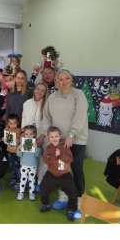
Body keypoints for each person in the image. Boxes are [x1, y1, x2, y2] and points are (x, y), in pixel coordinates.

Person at [43, 69, 88, 214]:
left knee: (76, 168)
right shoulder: (52, 97)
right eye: (60, 79)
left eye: (67, 78)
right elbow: (46, 116)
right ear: (56, 82)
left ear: (71, 80)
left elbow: (80, 116)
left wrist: (72, 134)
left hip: (77, 139)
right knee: (60, 169)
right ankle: (63, 197)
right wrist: (48, 132)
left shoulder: (78, 95)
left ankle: (79, 200)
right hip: (59, 141)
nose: (64, 81)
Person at [39, 126, 79, 221]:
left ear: (60, 136)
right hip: (52, 173)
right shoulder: (48, 148)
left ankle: (71, 210)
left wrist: (60, 155)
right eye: (51, 137)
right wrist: (51, 157)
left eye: (56, 136)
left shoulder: (65, 146)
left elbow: (70, 159)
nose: (54, 139)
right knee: (43, 188)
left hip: (65, 174)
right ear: (48, 138)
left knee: (73, 192)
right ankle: (45, 204)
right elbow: (45, 160)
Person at [21, 82, 49, 189]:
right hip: (28, 136)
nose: (39, 92)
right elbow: (24, 119)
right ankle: (29, 181)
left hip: (43, 136)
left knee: (43, 159)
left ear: (45, 93)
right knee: (30, 158)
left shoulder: (47, 105)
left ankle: (40, 181)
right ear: (34, 89)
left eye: (42, 90)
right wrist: (23, 133)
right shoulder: (27, 103)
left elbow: (48, 122)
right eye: (38, 89)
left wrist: (42, 136)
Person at [16, 125, 41, 201]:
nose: (28, 136)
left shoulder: (36, 144)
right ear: (24, 135)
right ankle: (21, 192)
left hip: (33, 166)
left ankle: (31, 193)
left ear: (34, 134)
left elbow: (37, 155)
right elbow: (19, 155)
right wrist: (19, 148)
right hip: (24, 165)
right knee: (23, 179)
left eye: (31, 134)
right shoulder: (23, 144)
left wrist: (36, 148)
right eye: (26, 134)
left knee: (32, 180)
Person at [3, 114, 22, 190]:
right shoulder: (6, 129)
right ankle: (13, 179)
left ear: (18, 123)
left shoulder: (19, 130)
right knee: (11, 166)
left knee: (17, 167)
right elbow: (5, 140)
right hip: (9, 152)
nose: (12, 125)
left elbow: (21, 140)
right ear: (8, 123)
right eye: (10, 123)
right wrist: (4, 139)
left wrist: (18, 140)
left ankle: (19, 181)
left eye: (14, 123)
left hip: (17, 152)